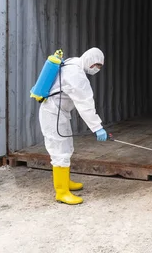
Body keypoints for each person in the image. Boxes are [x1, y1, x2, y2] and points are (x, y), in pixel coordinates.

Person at [38, 47, 108, 205]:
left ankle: (66, 181)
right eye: (96, 65)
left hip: (59, 113)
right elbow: (85, 103)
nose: (97, 69)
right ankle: (61, 192)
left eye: (100, 66)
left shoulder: (73, 63)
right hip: (53, 114)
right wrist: (97, 127)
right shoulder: (76, 75)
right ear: (89, 60)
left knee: (67, 147)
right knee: (59, 151)